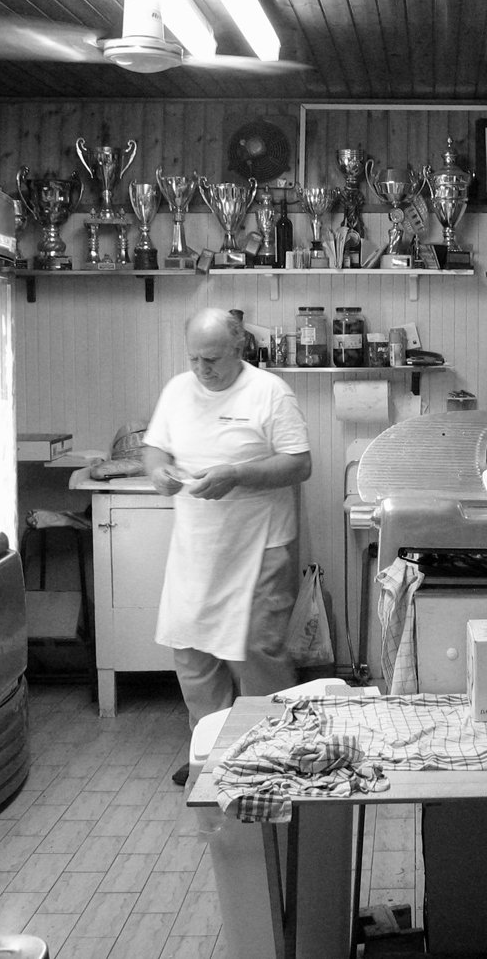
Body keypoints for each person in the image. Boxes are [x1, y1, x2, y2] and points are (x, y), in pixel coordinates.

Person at [143, 308, 312, 785]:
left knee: (255, 652)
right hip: (196, 549)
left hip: (259, 547)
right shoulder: (178, 390)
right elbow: (155, 447)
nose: (202, 369)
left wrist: (238, 474)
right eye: (194, 358)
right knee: (191, 652)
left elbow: (299, 465)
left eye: (212, 359)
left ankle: (273, 755)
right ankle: (212, 751)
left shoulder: (269, 392)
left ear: (239, 348)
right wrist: (157, 471)